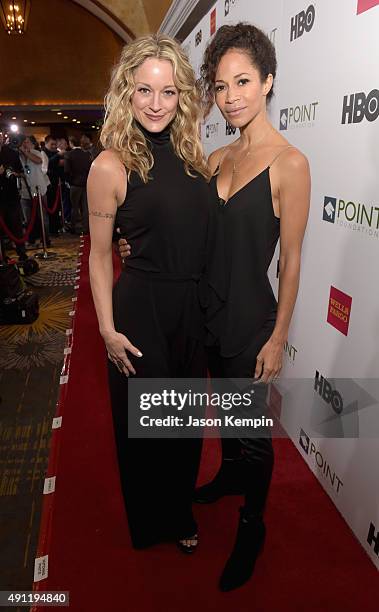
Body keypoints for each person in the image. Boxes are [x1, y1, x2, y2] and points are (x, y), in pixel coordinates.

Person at [119, 23, 310, 591]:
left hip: (251, 320)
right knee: (214, 415)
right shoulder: (215, 156)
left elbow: (293, 262)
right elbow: (181, 224)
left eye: (244, 81)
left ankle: (252, 525)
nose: (232, 96)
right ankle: (224, 475)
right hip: (201, 312)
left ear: (269, 82)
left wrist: (277, 338)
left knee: (250, 431)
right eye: (222, 85)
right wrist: (133, 242)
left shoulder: (290, 164)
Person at [87, 34, 211, 553]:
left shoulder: (193, 155)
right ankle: (150, 520)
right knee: (147, 429)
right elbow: (97, 256)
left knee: (183, 424)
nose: (156, 104)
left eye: (167, 92)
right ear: (127, 92)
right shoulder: (109, 166)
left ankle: (179, 511)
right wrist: (107, 330)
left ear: (182, 95)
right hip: (142, 312)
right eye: (144, 90)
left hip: (192, 309)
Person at [0, 133, 28, 261]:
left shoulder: (11, 153)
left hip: (11, 196)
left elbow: (22, 172)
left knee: (16, 226)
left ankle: (22, 253)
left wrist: (14, 173)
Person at [18, 135, 50, 246]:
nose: (24, 144)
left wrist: (26, 153)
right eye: (23, 142)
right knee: (28, 219)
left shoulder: (36, 153)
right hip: (25, 191)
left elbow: (38, 161)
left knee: (42, 217)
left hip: (39, 189)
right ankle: (31, 240)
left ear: (31, 144)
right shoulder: (17, 156)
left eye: (26, 142)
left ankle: (46, 240)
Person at [64, 136, 91, 234]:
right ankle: (86, 229)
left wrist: (70, 182)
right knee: (85, 208)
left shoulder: (69, 154)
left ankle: (73, 227)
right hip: (86, 183)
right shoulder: (87, 154)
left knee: (74, 207)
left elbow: (66, 171)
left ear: (71, 143)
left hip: (75, 184)